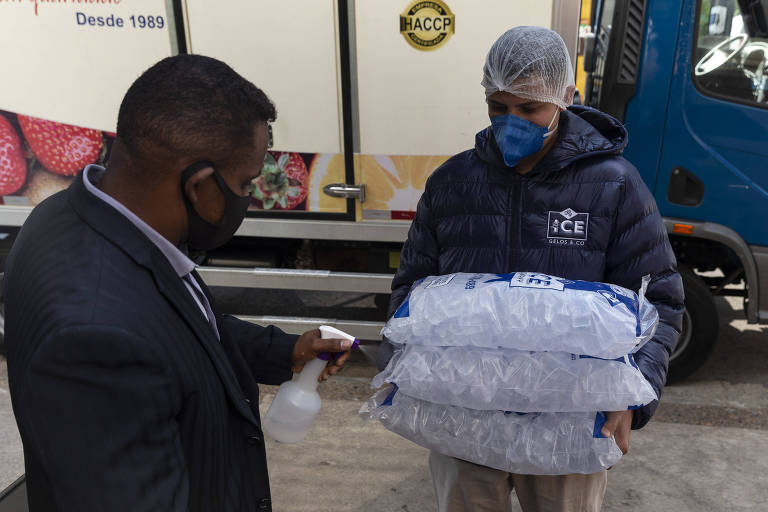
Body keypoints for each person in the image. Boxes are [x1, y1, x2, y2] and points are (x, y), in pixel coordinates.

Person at [3, 54, 353, 512]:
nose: (248, 197)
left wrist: (283, 352)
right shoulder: (96, 341)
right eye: (246, 184)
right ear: (200, 186)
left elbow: (178, 325)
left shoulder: (70, 216)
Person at [377, 26, 685, 512]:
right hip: (466, 418)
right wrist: (402, 368)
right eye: (498, 108)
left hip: (567, 420)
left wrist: (634, 396)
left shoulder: (613, 186)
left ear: (564, 97)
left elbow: (659, 300)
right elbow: (412, 290)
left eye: (529, 109)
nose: (511, 122)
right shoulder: (454, 183)